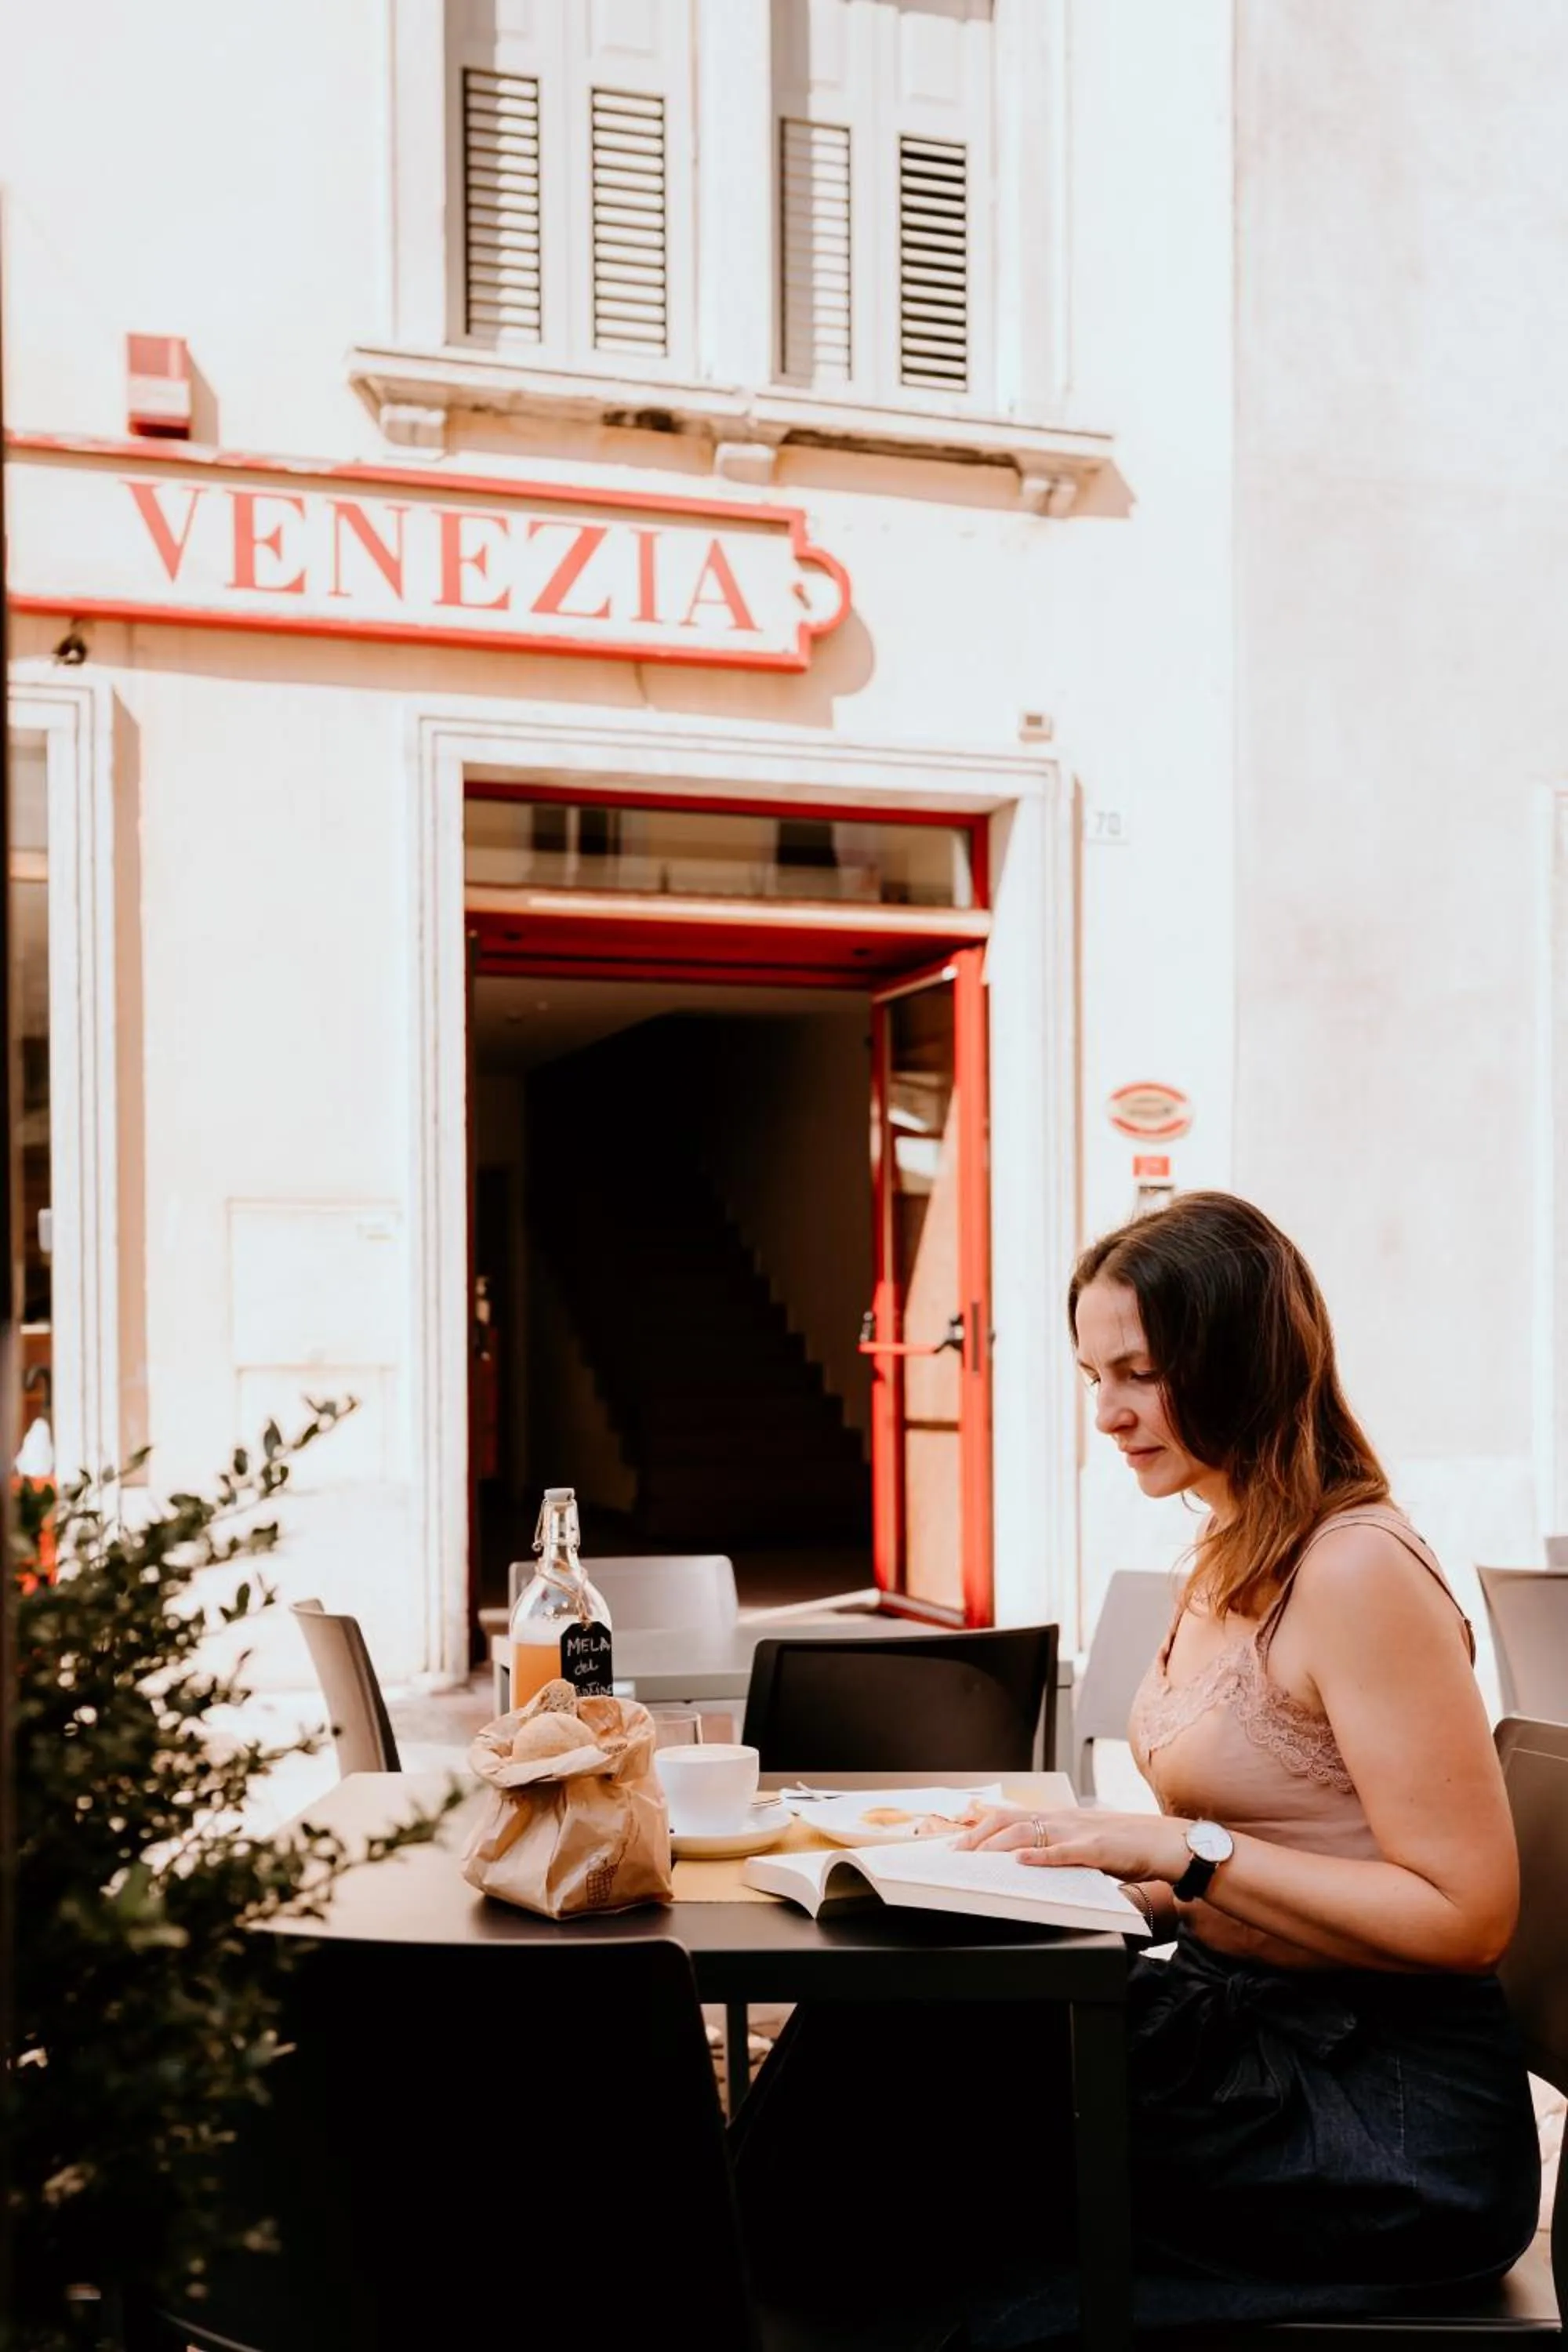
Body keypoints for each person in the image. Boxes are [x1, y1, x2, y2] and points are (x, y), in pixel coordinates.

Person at [731, 1192, 1541, 2342]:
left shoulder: (1356, 1570)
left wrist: (1183, 1853)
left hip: (1378, 2123)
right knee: (897, 2025)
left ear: (1249, 1360)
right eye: (1092, 1375)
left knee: (897, 2115)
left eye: (1142, 1373)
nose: (1108, 1414)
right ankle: (743, 2276)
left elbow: (1468, 1917)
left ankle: (737, 2281)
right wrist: (1061, 1874)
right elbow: (1279, 1855)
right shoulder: (1227, 1551)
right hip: (1247, 2039)